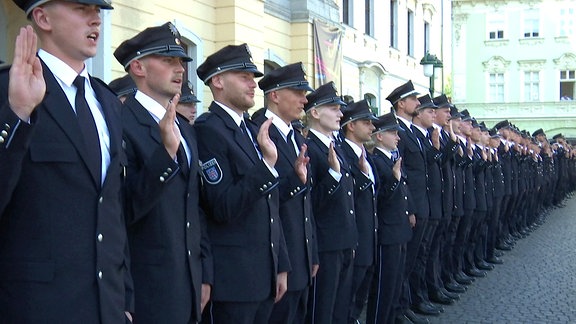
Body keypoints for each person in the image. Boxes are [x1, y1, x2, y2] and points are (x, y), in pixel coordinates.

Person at [0, 1, 133, 322]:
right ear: (43, 17)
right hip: (37, 306)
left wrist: (125, 297)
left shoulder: (108, 102)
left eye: (97, 9)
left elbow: (112, 208)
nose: (96, 17)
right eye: (81, 7)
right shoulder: (8, 89)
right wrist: (17, 115)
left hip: (108, 306)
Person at [113, 22, 213, 323]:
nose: (180, 69)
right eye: (168, 60)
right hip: (147, 287)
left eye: (182, 61)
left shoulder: (184, 128)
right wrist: (166, 155)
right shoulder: (120, 121)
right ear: (138, 67)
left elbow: (195, 206)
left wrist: (204, 270)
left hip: (189, 284)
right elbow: (124, 208)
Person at [194, 43, 290, 324]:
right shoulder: (209, 130)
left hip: (263, 275)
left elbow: (270, 207)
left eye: (253, 77)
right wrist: (265, 167)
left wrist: (280, 263)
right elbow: (222, 206)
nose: (252, 84)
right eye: (244, 76)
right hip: (234, 281)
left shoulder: (250, 130)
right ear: (219, 81)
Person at [252, 62, 318, 324]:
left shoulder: (298, 138)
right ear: (275, 95)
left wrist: (311, 252)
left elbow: (306, 204)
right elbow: (266, 202)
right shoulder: (259, 133)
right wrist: (283, 264)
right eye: (298, 92)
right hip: (278, 259)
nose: (305, 99)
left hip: (300, 258)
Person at [304, 81, 357, 324]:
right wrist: (334, 175)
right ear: (314, 112)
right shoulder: (309, 149)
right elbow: (312, 201)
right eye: (334, 108)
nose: (340, 114)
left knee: (339, 308)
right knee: (322, 310)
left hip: (344, 239)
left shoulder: (335, 146)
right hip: (325, 243)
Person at [387, 81, 435, 324]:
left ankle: (404, 306)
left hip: (422, 204)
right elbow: (400, 174)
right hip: (411, 207)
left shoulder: (411, 133)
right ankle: (398, 309)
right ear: (401, 104)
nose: (418, 103)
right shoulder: (396, 132)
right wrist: (409, 209)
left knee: (413, 258)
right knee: (402, 265)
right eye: (413, 99)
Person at [366, 112, 414, 324]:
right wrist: (394, 179)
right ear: (379, 136)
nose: (397, 137)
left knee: (395, 283)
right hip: (387, 231)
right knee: (384, 287)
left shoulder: (392, 159)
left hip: (399, 229)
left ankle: (393, 318)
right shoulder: (376, 161)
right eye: (393, 133)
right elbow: (381, 198)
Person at [338, 99, 379, 324]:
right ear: (351, 125)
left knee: (359, 294)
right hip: (354, 239)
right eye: (366, 123)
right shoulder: (343, 152)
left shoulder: (366, 156)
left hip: (368, 237)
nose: (372, 127)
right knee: (347, 298)